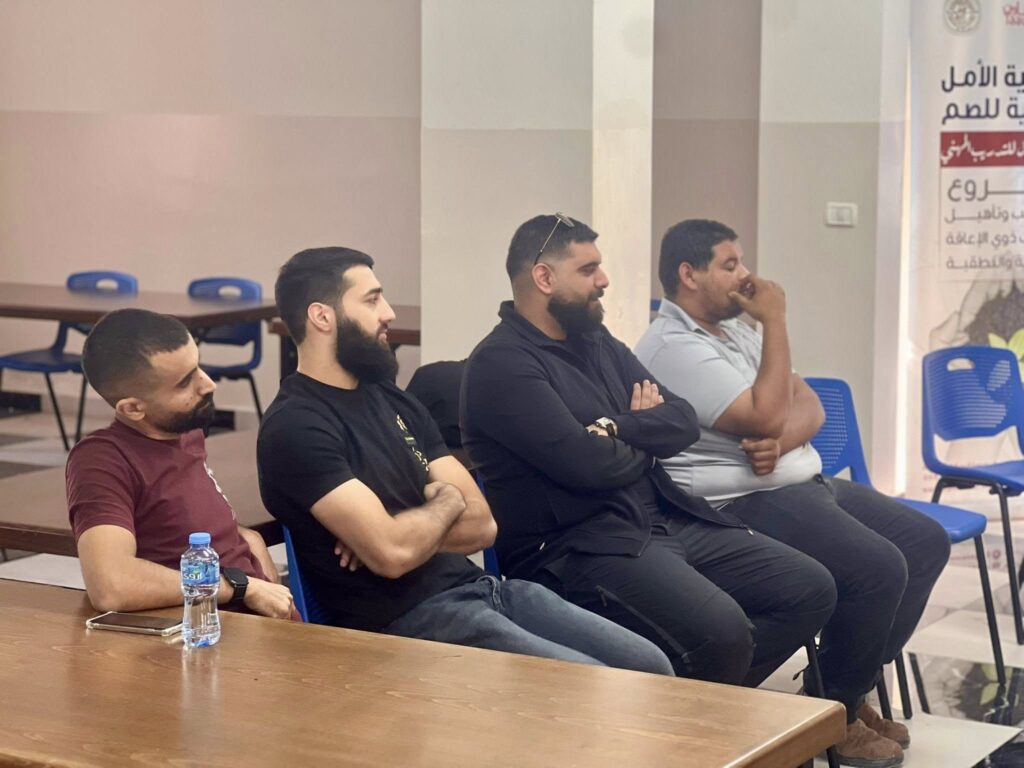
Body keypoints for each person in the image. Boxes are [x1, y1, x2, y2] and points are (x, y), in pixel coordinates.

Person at [461, 213, 837, 690]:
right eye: (588, 269)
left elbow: (681, 421)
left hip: (658, 517)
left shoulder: (595, 340)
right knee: (723, 634)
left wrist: (616, 427)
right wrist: (644, 439)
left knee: (809, 589)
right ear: (544, 278)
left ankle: (693, 706)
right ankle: (689, 714)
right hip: (575, 547)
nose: (604, 280)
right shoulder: (502, 365)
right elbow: (589, 466)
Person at [255, 246, 673, 674]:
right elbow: (394, 553)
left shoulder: (391, 398)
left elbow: (483, 525)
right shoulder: (296, 426)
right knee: (594, 685)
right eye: (372, 300)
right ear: (322, 317)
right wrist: (440, 506)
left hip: (484, 590)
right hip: (408, 624)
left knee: (650, 666)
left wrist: (404, 530)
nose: (389, 313)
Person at [635, 218, 951, 768]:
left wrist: (780, 442)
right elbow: (766, 411)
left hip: (796, 478)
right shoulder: (672, 346)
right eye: (730, 264)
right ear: (689, 274)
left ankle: (840, 685)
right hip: (739, 499)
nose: (746, 275)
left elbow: (810, 406)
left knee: (924, 541)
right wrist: (776, 320)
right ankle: (837, 714)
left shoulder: (736, 330)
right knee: (878, 567)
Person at [66, 309, 295, 620]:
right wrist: (240, 586)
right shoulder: (102, 460)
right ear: (133, 409)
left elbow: (180, 522)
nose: (208, 384)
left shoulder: (184, 430)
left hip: (262, 615)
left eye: (198, 366)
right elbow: (112, 585)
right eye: (185, 382)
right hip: (211, 628)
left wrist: (245, 536)